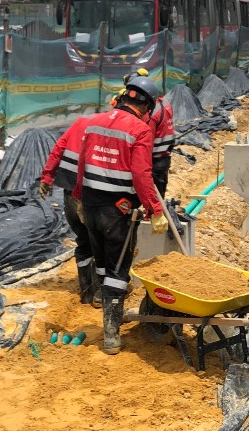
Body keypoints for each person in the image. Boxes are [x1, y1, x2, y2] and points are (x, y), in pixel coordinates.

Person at [74, 77, 168, 354]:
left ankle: (107, 311)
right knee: (118, 269)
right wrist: (155, 210)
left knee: (102, 262)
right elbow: (141, 173)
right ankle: (112, 334)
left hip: (91, 205)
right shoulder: (140, 130)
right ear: (147, 106)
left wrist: (79, 197)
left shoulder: (94, 122)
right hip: (118, 210)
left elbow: (82, 164)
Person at [39, 116, 101, 308]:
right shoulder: (111, 129)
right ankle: (99, 294)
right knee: (102, 244)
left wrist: (47, 176)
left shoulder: (80, 122)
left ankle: (86, 294)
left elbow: (58, 149)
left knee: (83, 242)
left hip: (70, 193)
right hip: (93, 195)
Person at [129, 69, 175, 197]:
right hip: (164, 155)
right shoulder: (164, 103)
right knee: (159, 192)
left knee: (150, 195)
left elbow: (144, 141)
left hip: (153, 159)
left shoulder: (150, 114)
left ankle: (153, 214)